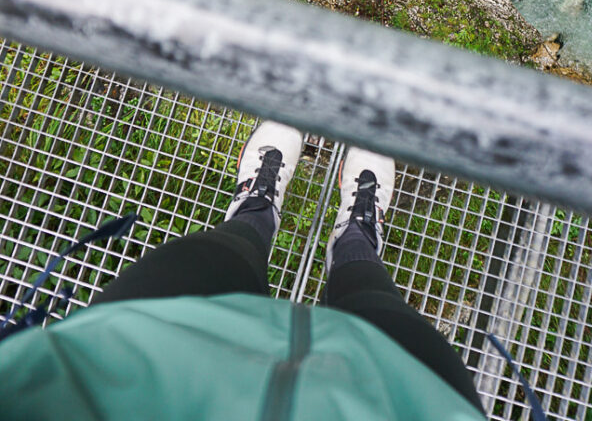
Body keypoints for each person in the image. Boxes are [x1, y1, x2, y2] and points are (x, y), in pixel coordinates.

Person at [1, 122, 486, 420]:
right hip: (401, 403)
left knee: (216, 259)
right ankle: (356, 236)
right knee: (373, 301)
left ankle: (256, 206)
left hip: (124, 382)